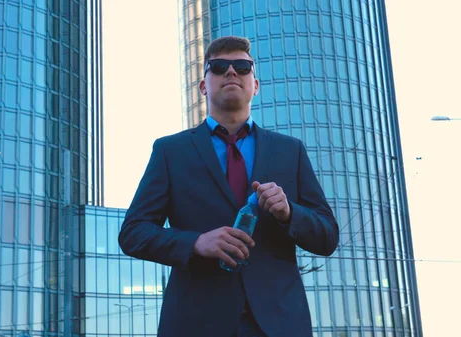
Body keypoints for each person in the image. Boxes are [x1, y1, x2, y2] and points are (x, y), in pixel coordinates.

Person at [118, 36, 339, 337]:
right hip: (195, 323)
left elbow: (328, 236)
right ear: (203, 86)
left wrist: (289, 213)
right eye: (219, 67)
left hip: (279, 323)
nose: (231, 73)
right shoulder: (170, 151)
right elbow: (133, 233)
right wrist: (196, 243)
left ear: (255, 85)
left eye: (242, 67)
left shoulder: (291, 151)